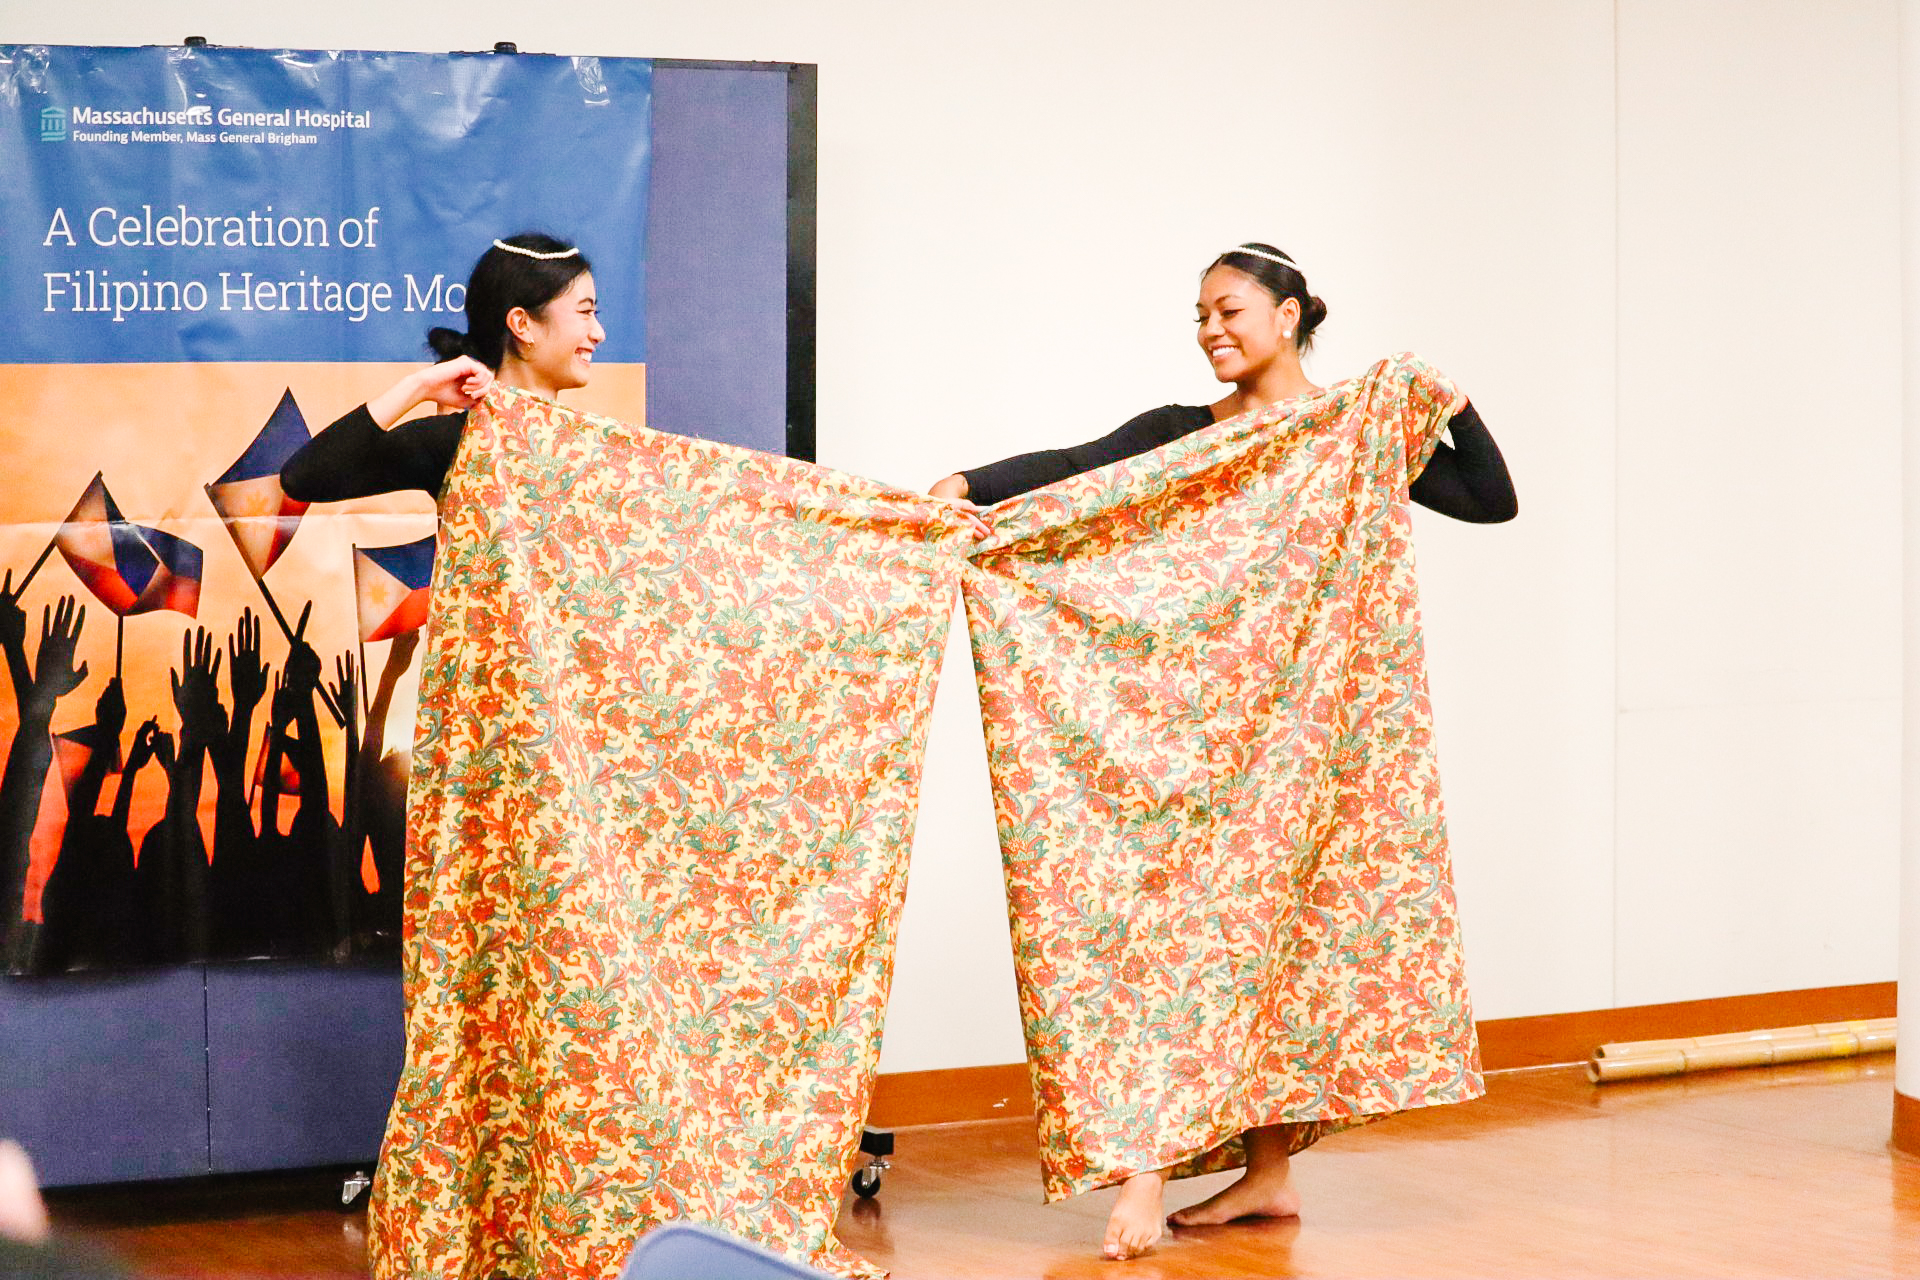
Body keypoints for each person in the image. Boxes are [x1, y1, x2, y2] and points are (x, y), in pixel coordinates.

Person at [936, 244, 1514, 1261]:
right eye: (1199, 314)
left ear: (1290, 315)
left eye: (1230, 309)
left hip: (1306, 730)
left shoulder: (1351, 433)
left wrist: (1451, 400)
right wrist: (968, 483)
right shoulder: (1184, 435)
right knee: (1174, 938)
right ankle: (1150, 1167)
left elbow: (1487, 499)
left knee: (1287, 943)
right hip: (1195, 737)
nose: (1210, 328)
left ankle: (1268, 1176)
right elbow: (1079, 466)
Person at [282, 232, 601, 504]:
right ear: (522, 324)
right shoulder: (459, 442)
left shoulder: (597, 452)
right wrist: (419, 387)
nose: (598, 333)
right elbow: (303, 478)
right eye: (585, 313)